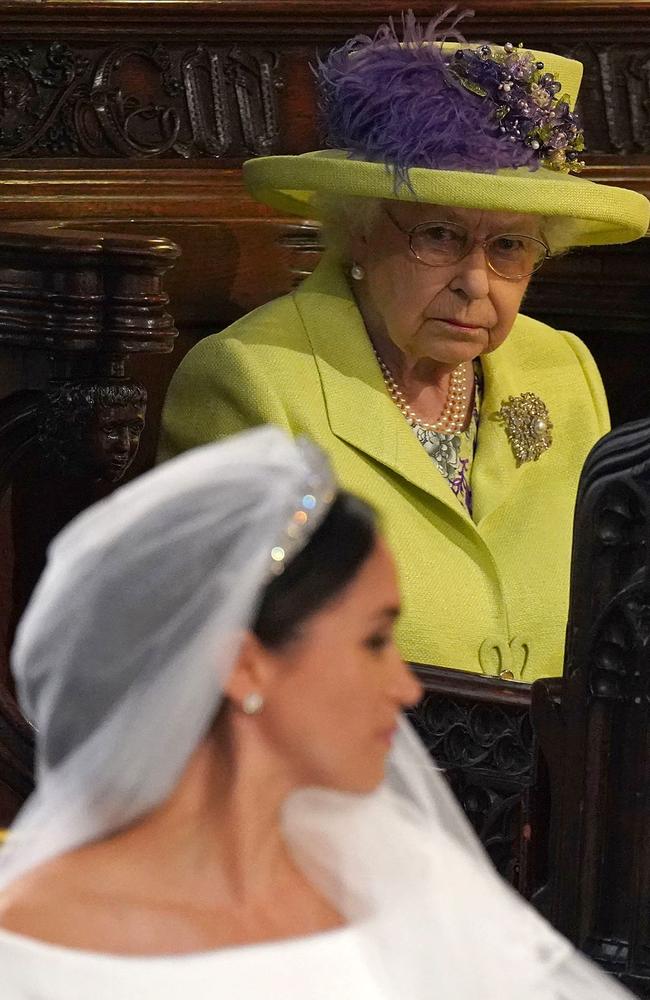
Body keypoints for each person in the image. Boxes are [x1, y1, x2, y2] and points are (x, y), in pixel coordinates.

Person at [0, 427, 632, 998]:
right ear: (245, 664)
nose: (408, 690)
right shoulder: (34, 946)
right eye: (374, 641)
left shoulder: (394, 874)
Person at [159, 12, 650, 682]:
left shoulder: (563, 369)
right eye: (440, 236)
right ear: (357, 231)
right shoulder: (250, 381)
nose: (475, 283)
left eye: (509, 246)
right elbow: (219, 667)